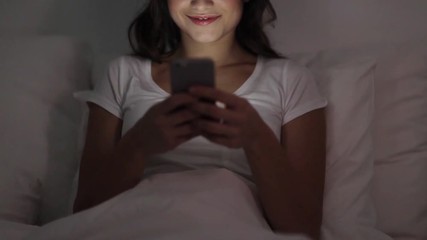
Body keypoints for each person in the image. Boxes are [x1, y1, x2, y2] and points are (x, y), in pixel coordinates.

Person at [73, 0, 327, 239]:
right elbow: (83, 214)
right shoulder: (123, 73)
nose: (201, 2)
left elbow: (304, 230)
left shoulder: (289, 79)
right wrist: (139, 144)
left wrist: (256, 138)